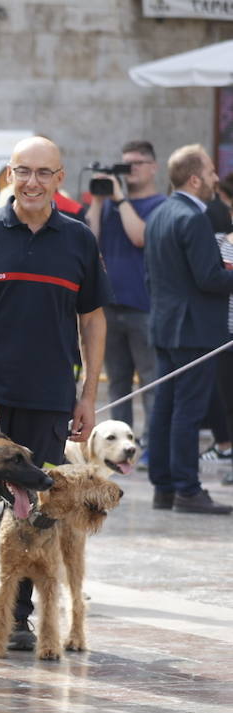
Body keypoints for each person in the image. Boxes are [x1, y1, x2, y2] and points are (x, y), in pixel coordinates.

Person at [0, 136, 109, 647]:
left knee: (37, 510)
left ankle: (19, 618)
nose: (32, 182)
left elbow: (93, 321)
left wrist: (88, 395)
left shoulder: (78, 240)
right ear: (9, 175)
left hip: (49, 398)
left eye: (43, 172)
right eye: (22, 171)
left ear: (60, 177)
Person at [143, 144, 233, 514]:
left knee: (165, 408)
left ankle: (164, 486)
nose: (216, 178)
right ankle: (187, 488)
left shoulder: (161, 213)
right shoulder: (193, 218)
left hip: (166, 325)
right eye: (211, 172)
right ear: (195, 179)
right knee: (188, 412)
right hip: (194, 329)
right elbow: (209, 278)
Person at [86, 141, 164, 446]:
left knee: (150, 381)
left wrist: (119, 200)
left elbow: (140, 236)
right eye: (125, 164)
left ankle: (153, 447)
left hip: (143, 306)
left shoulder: (159, 205)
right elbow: (89, 241)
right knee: (118, 384)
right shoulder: (107, 206)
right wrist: (97, 200)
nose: (130, 170)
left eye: (137, 164)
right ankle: (122, 447)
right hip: (109, 307)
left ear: (154, 167)